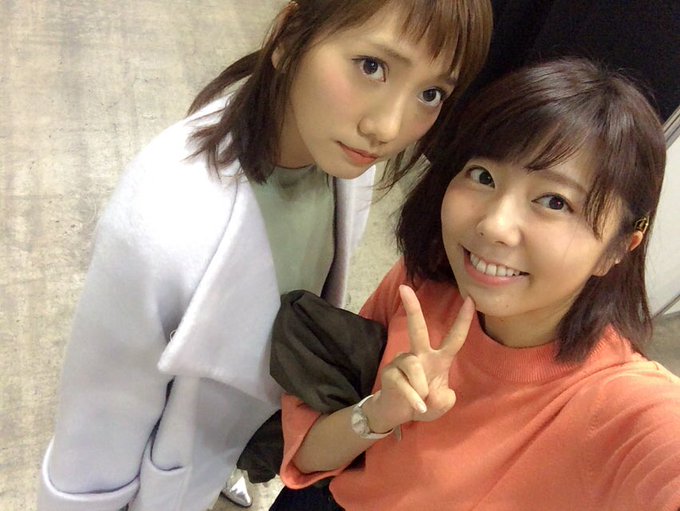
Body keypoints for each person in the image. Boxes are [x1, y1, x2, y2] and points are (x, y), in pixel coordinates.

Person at [37, 1, 493, 510]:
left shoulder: (343, 164)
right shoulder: (162, 222)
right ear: (290, 36)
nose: (388, 127)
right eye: (372, 66)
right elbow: (95, 432)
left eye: (430, 94)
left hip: (235, 438)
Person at [277, 58, 680, 510]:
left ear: (618, 248)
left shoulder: (621, 405)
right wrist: (380, 411)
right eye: (483, 176)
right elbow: (305, 460)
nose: (494, 225)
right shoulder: (425, 281)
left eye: (554, 201)